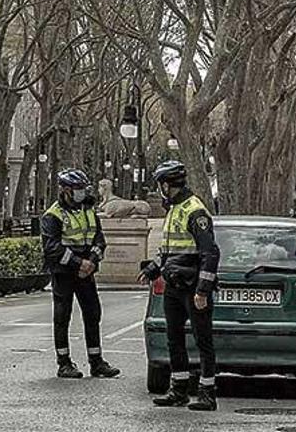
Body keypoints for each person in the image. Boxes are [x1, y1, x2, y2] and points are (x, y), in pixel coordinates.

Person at [138, 160, 220, 411]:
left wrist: (203, 291)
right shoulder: (174, 209)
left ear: (166, 184)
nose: (160, 188)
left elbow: (210, 253)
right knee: (174, 338)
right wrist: (152, 270)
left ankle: (207, 393)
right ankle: (179, 390)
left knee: (202, 340)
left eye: (160, 184)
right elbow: (168, 250)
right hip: (174, 285)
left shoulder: (195, 211)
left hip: (193, 285)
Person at [41, 169, 120, 379]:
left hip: (86, 273)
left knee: (93, 314)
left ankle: (96, 361)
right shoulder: (53, 215)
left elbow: (99, 239)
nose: (81, 193)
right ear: (65, 190)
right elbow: (52, 247)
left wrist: (92, 261)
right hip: (64, 273)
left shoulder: (89, 210)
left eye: (83, 189)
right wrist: (78, 263)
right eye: (77, 189)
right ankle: (64, 362)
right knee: (62, 317)